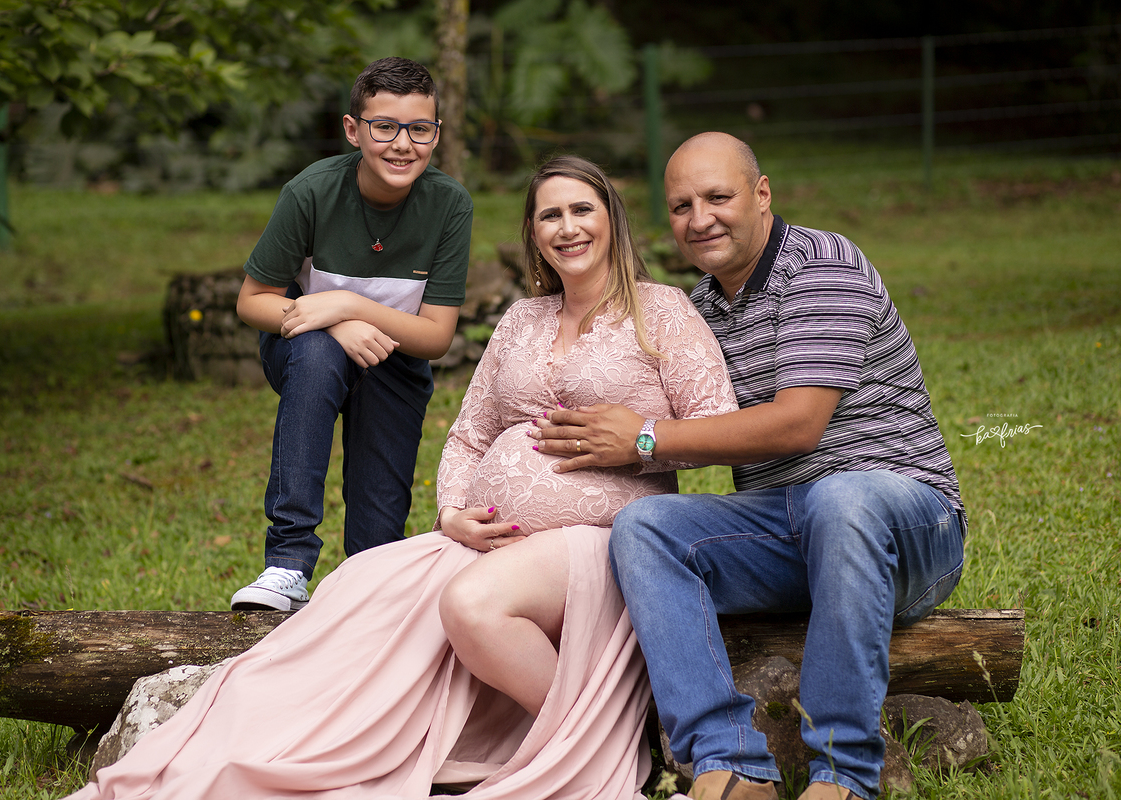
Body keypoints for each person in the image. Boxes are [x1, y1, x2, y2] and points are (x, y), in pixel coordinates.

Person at [63, 155, 738, 800]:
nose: (568, 228)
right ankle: (287, 745)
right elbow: (469, 435)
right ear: (533, 235)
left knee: (471, 607)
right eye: (549, 216)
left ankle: (594, 743)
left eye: (582, 210)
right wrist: (452, 513)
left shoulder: (663, 312)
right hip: (485, 538)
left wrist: (638, 442)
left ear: (612, 218)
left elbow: (718, 427)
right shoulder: (522, 319)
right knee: (358, 586)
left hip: (598, 538)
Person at [531, 133, 965, 800]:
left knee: (840, 501)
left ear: (762, 195)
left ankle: (844, 771)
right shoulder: (699, 308)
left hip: (907, 524)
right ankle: (730, 763)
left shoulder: (822, 265)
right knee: (646, 528)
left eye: (718, 197)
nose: (700, 219)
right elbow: (664, 423)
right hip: (787, 530)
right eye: (681, 206)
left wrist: (644, 437)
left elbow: (798, 424)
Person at [230, 57, 473, 612]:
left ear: (436, 133)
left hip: (395, 360)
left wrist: (350, 305)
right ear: (352, 129)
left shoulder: (449, 204)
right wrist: (337, 320)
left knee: (378, 541)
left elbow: (436, 338)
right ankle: (287, 563)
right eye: (384, 126)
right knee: (319, 351)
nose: (402, 144)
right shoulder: (311, 191)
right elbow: (252, 301)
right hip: (302, 351)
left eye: (420, 129)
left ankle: (365, 586)